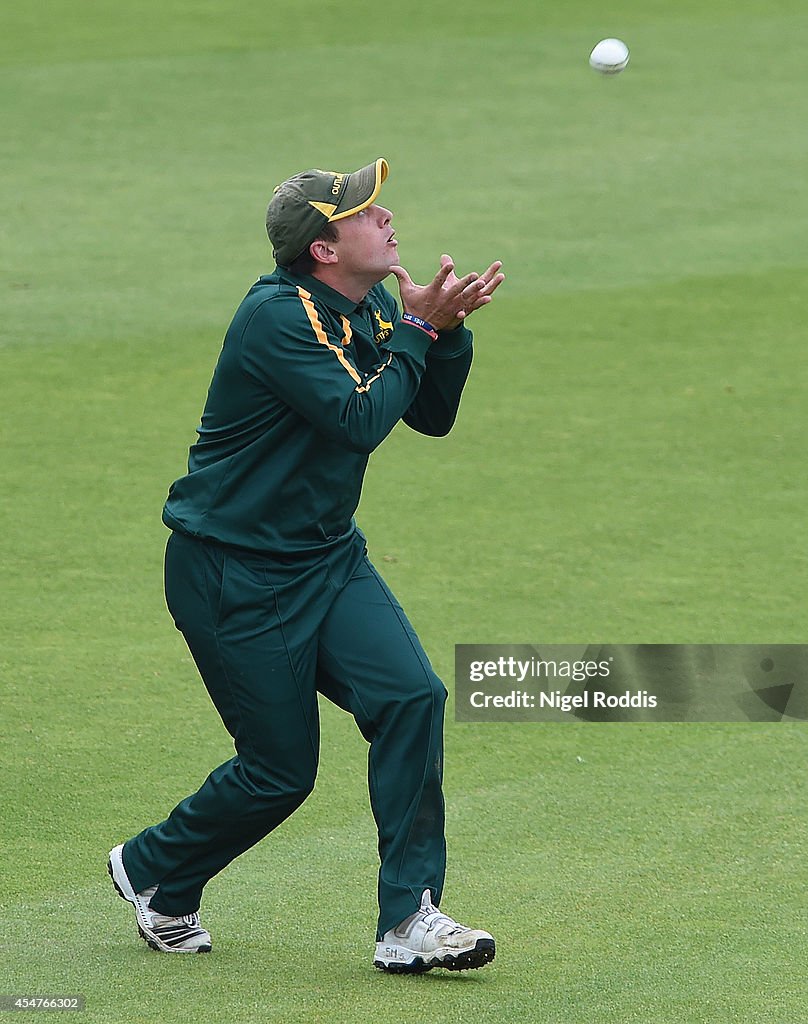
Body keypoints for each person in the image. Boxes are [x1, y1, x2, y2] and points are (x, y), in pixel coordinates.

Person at [107, 158, 504, 973]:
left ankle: (409, 920)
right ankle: (153, 868)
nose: (385, 217)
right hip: (230, 574)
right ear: (324, 249)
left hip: (324, 559)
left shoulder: (366, 306)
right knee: (278, 773)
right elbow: (358, 418)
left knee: (411, 696)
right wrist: (419, 333)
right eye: (364, 212)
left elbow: (425, 415)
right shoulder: (277, 319)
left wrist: (446, 332)